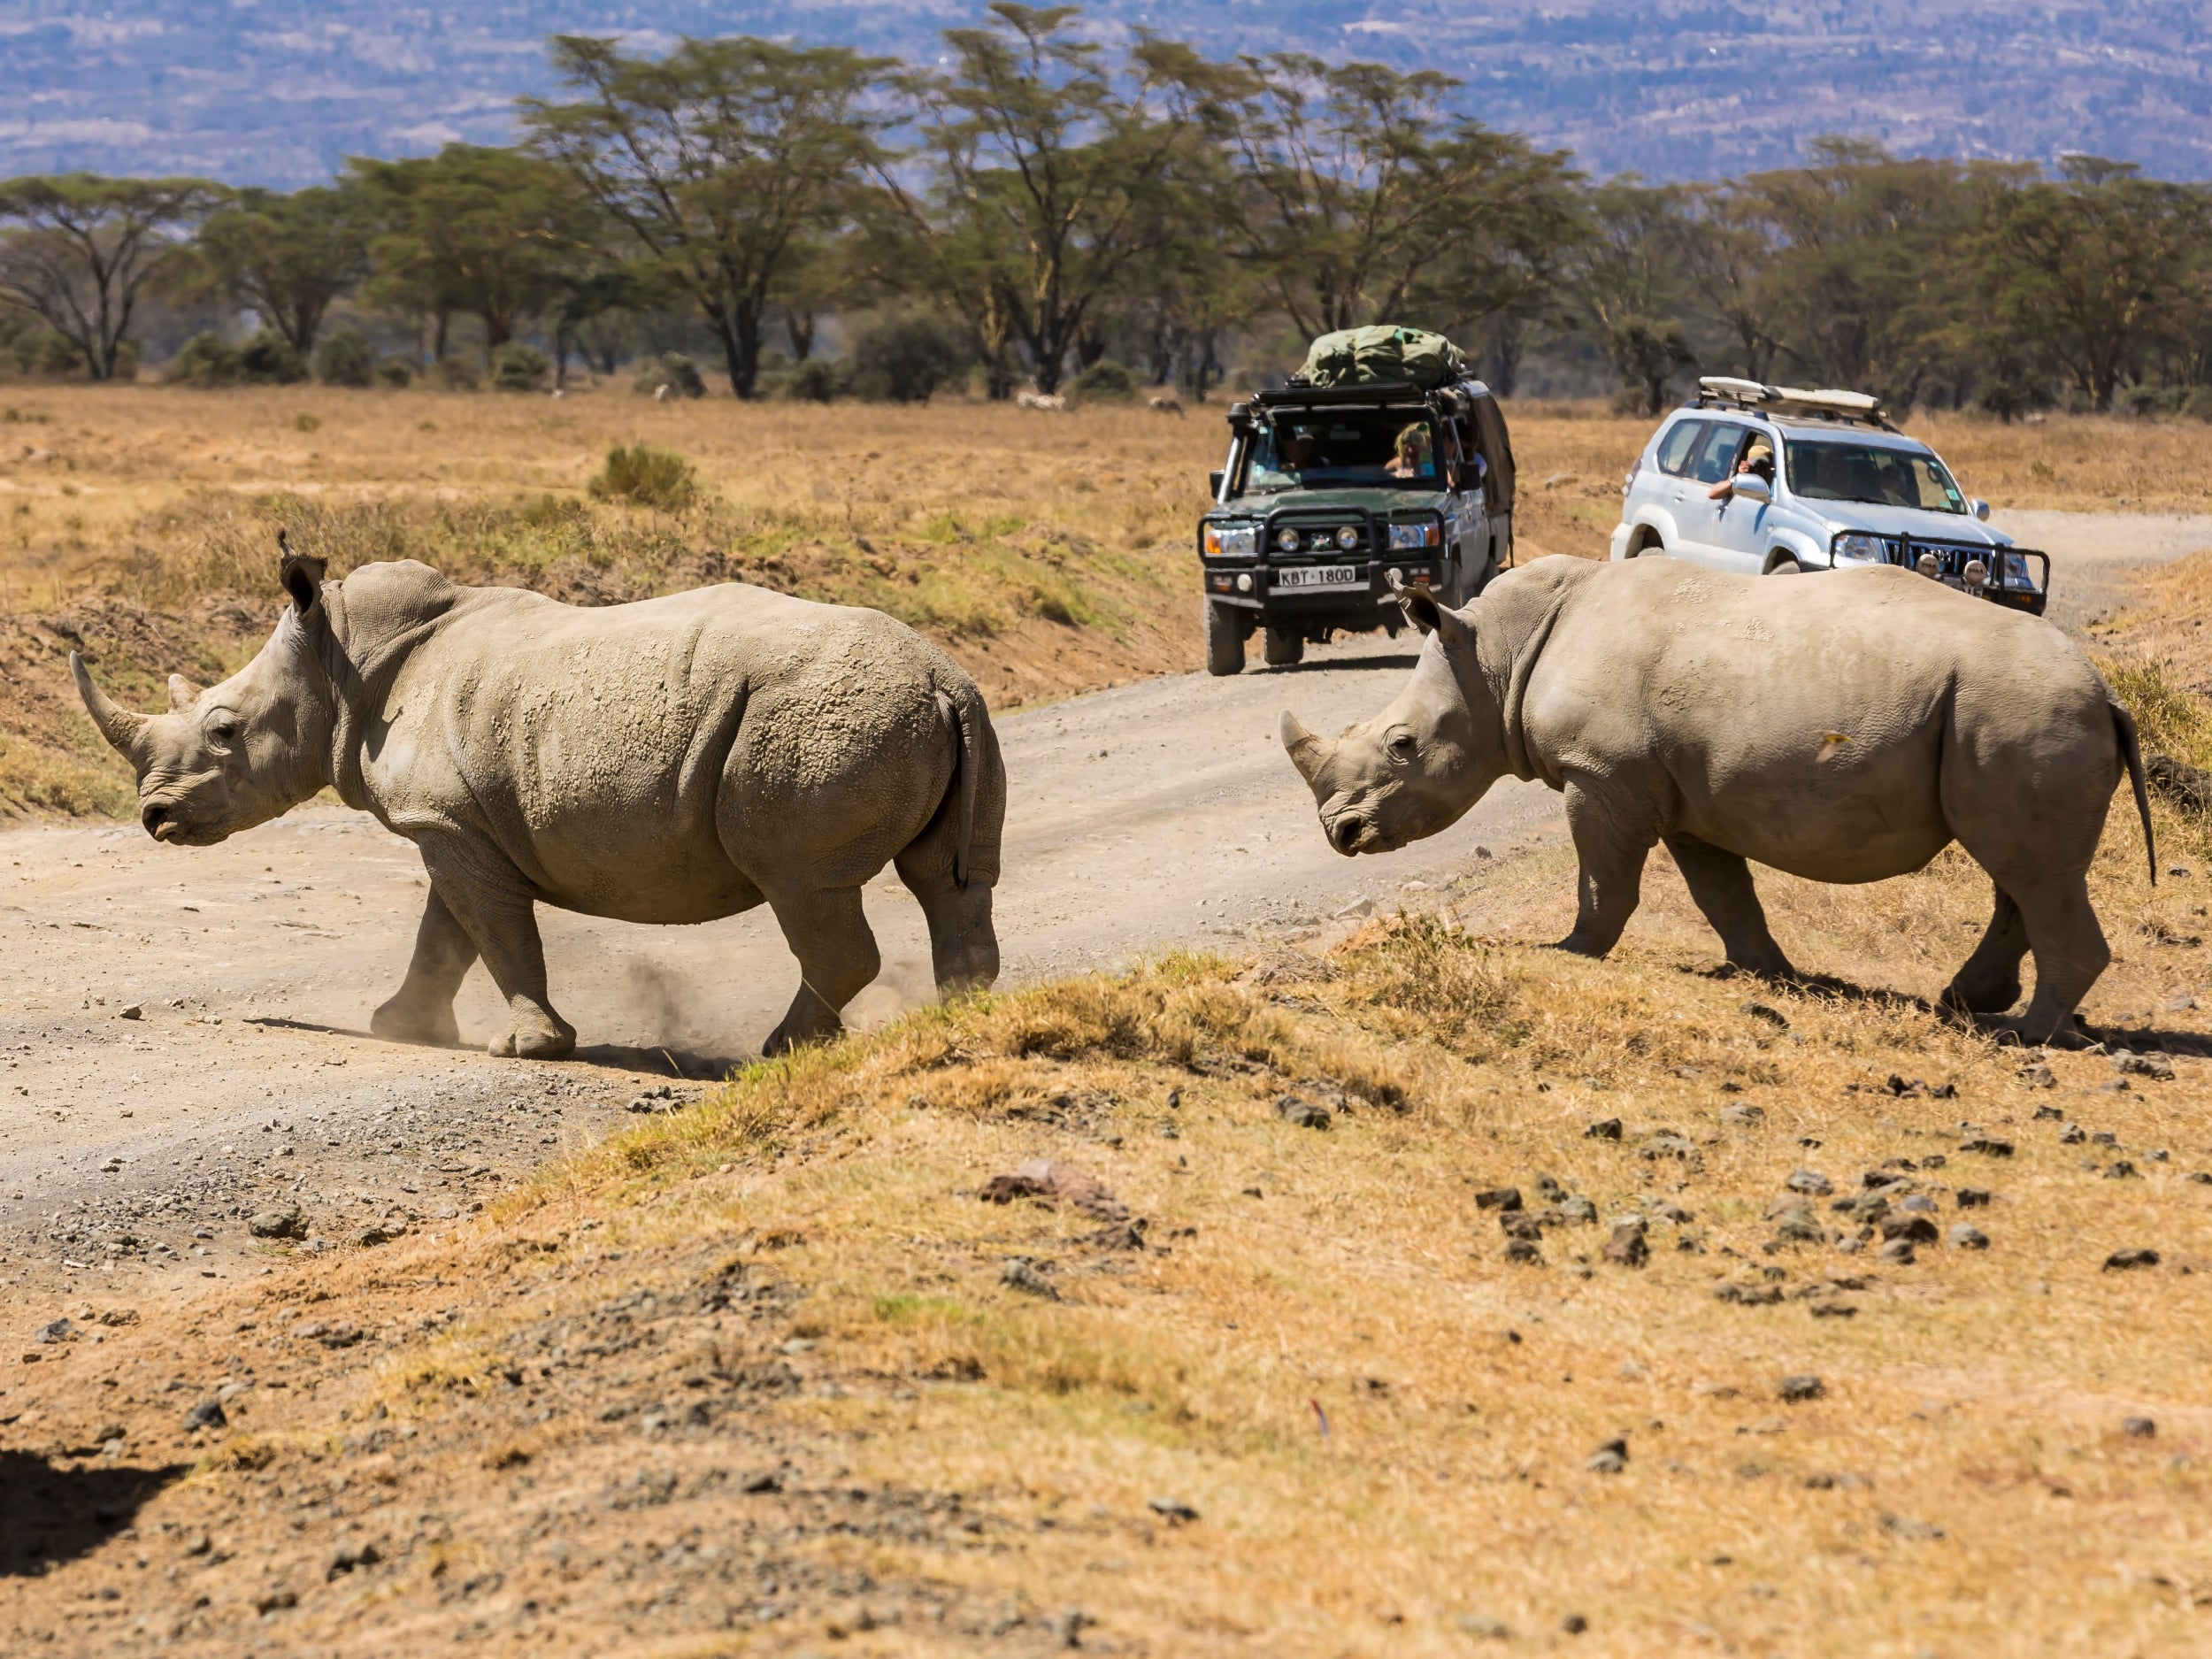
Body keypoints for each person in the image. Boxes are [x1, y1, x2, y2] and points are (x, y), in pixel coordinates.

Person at [1708, 437, 1774, 499]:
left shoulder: (1777, 483)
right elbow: (1712, 494)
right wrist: (1739, 478)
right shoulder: (1743, 481)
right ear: (1748, 465)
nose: (1760, 470)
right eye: (1756, 466)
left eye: (1765, 466)